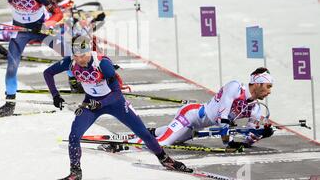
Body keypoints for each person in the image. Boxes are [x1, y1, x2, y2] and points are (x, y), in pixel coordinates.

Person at [43, 36, 192, 180]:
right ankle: (75, 174)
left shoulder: (103, 63)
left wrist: (100, 103)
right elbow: (47, 73)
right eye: (76, 56)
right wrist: (56, 96)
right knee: (74, 136)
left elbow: (116, 93)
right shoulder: (70, 62)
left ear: (89, 51)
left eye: (83, 55)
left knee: (143, 133)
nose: (80, 59)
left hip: (114, 103)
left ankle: (165, 160)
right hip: (91, 102)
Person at [105, 67, 275, 152]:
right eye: (268, 86)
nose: (269, 91)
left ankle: (146, 132)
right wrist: (228, 143)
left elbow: (248, 140)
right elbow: (222, 120)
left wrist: (260, 133)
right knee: (163, 144)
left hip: (195, 127)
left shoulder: (256, 109)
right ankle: (119, 145)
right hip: (190, 115)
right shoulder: (235, 87)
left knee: (168, 137)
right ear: (257, 83)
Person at [0, 0, 70, 118]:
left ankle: (74, 80)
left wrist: (46, 25)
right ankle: (9, 104)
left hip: (41, 29)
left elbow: (58, 13)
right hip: (20, 32)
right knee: (11, 68)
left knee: (68, 53)